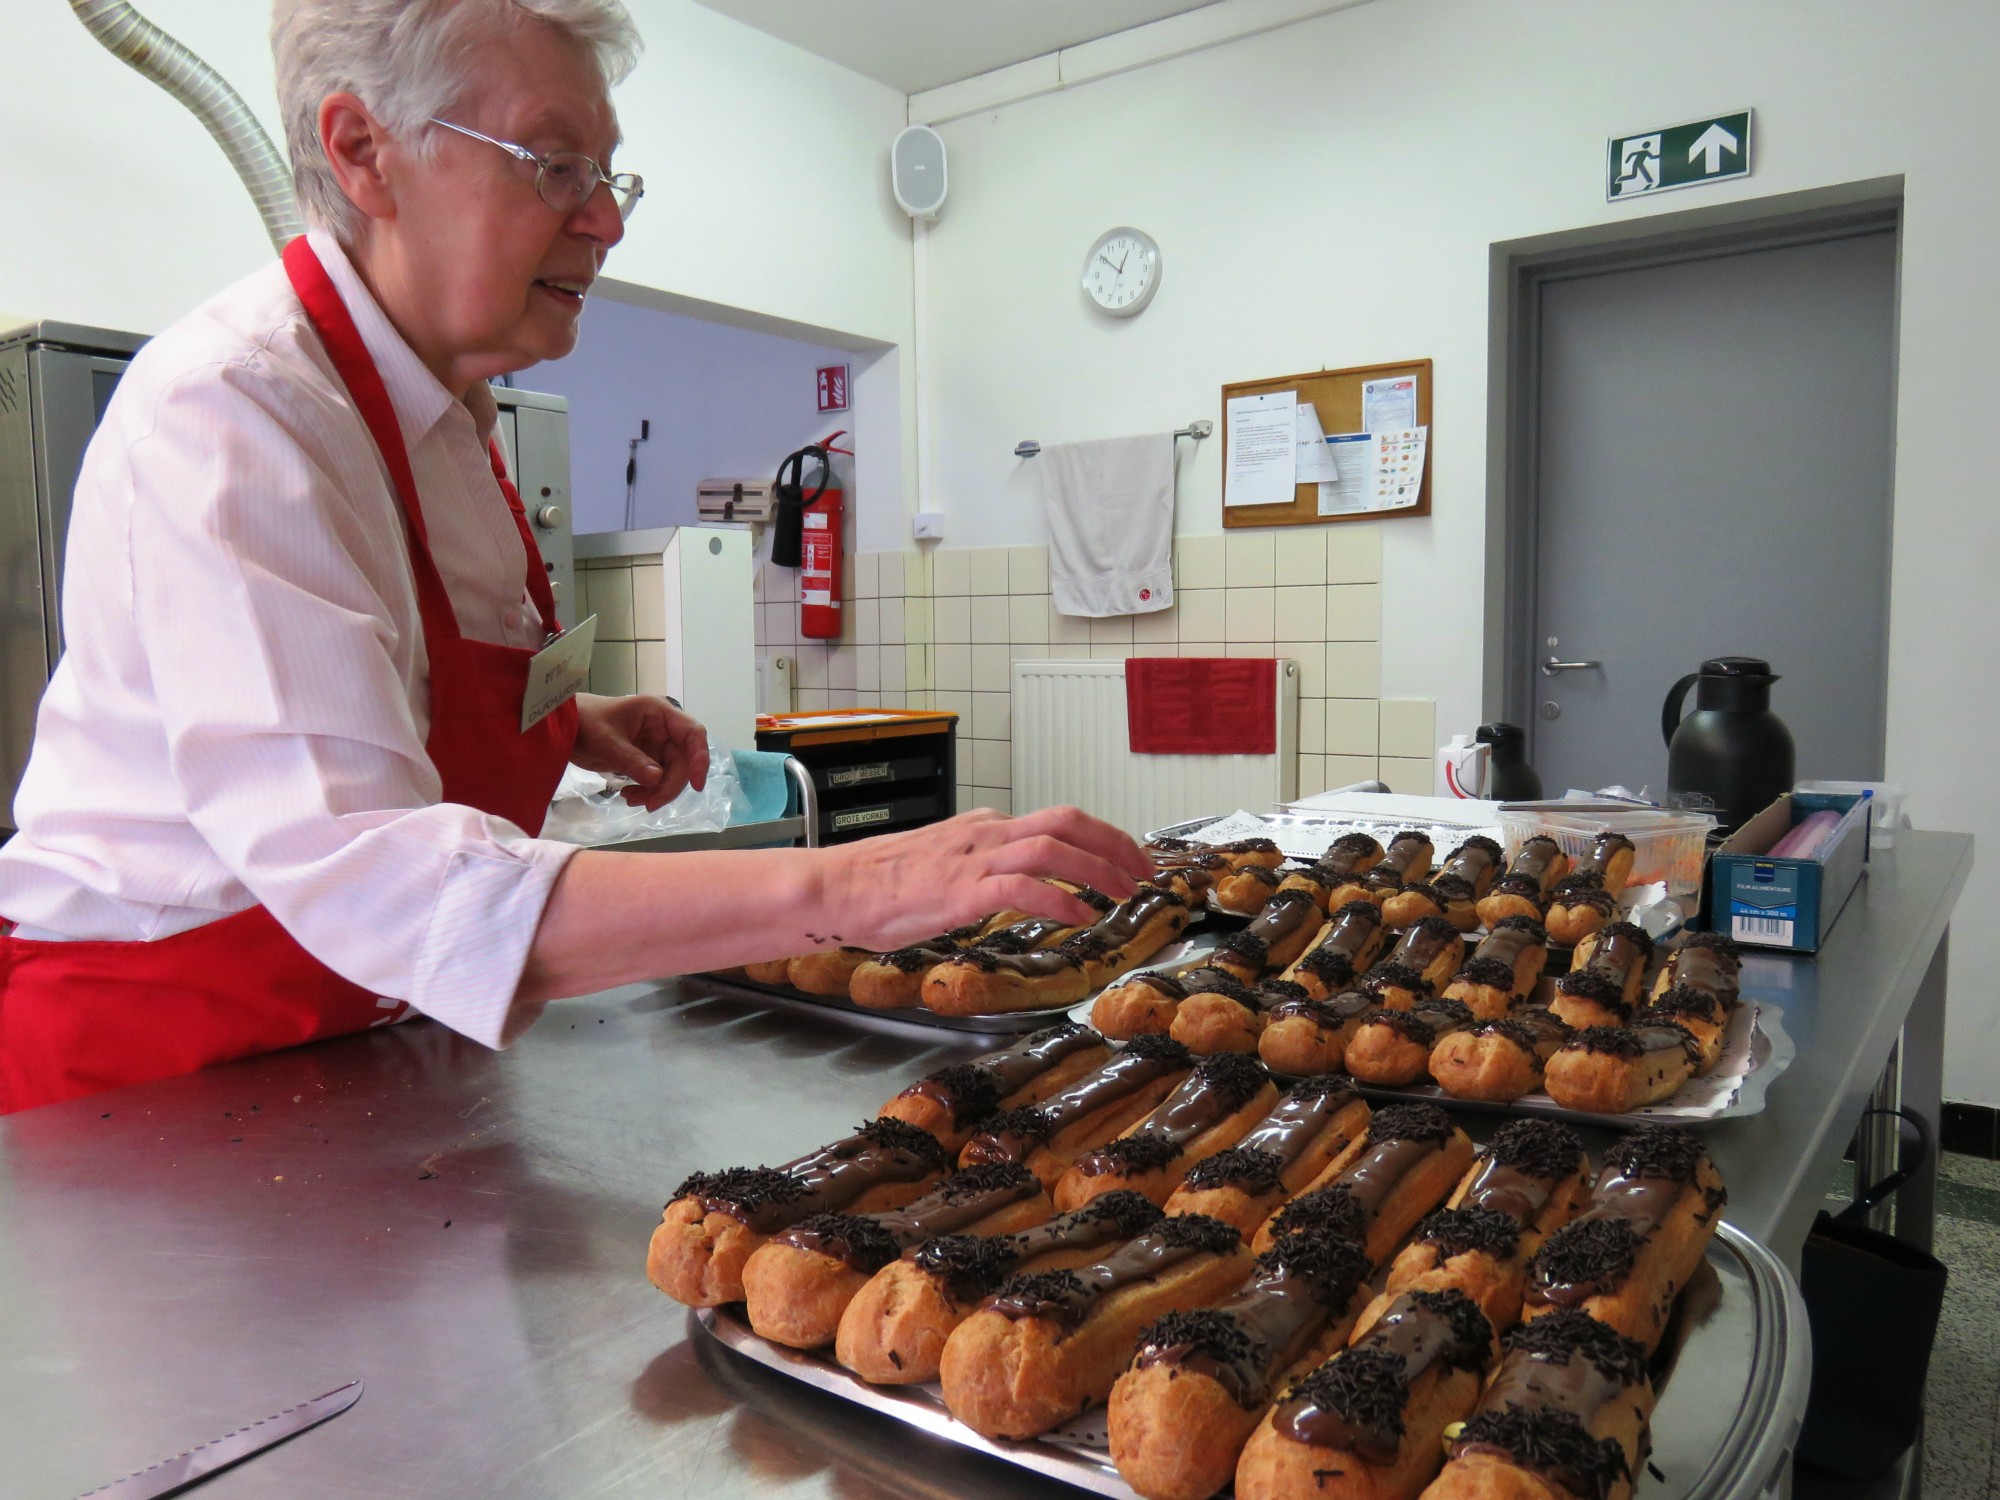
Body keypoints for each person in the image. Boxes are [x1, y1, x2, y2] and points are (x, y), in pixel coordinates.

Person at [0, 0, 1147, 1114]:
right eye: (551, 163)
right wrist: (869, 880)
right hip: (155, 1088)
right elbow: (372, 875)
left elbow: (372, 685)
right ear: (363, 153)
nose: (604, 218)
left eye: (607, 173)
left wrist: (569, 718)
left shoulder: (453, 407)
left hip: (366, 1055)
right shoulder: (237, 414)